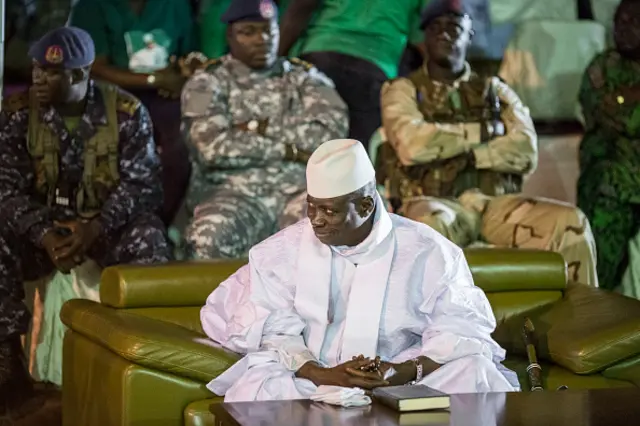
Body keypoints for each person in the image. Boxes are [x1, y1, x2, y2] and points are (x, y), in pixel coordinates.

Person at [201, 138, 519, 402]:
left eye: (330, 210)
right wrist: (324, 373)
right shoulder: (280, 252)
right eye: (311, 206)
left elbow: (460, 328)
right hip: (309, 379)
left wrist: (402, 371)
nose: (316, 219)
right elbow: (272, 332)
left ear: (366, 206)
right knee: (258, 387)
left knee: (474, 371)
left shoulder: (427, 250)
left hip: (399, 380)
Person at [0, 27, 172, 413]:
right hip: (41, 230)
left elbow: (144, 186)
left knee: (148, 238)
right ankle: (8, 369)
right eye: (36, 69)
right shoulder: (17, 115)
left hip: (101, 227)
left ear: (81, 74)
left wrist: (96, 226)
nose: (39, 79)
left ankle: (143, 358)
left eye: (51, 73)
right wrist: (43, 233)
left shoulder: (125, 113)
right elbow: (4, 189)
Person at [379, 0, 598, 287]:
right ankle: (433, 330)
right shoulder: (401, 90)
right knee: (428, 228)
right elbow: (413, 146)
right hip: (436, 203)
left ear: (469, 34)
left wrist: (471, 158)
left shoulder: (497, 90)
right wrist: (483, 132)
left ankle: (580, 324)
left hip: (495, 206)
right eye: (435, 28)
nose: (444, 34)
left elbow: (524, 151)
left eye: (454, 27)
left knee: (571, 223)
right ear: (425, 36)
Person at [181, 0, 348, 259]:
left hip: (298, 193)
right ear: (230, 35)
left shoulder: (305, 79)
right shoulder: (207, 83)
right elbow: (212, 148)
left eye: (269, 30)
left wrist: (249, 131)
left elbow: (328, 138)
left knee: (330, 232)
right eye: (249, 32)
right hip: (233, 194)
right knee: (208, 238)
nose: (262, 39)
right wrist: (290, 149)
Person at [70, 0, 201, 225]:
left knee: (181, 145)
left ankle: (158, 223)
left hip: (164, 96)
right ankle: (107, 224)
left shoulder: (175, 5)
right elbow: (93, 68)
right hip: (108, 96)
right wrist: (153, 79)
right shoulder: (91, 7)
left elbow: (186, 54)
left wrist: (185, 69)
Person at [278, 0, 426, 147]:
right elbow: (428, 28)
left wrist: (277, 60)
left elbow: (301, 7)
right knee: (354, 158)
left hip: (321, 56)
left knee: (305, 149)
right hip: (374, 69)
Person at [577, 0, 640, 291]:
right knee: (602, 266)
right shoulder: (601, 67)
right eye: (620, 21)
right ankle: (597, 314)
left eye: (634, 21)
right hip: (613, 184)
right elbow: (620, 120)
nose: (625, 28)